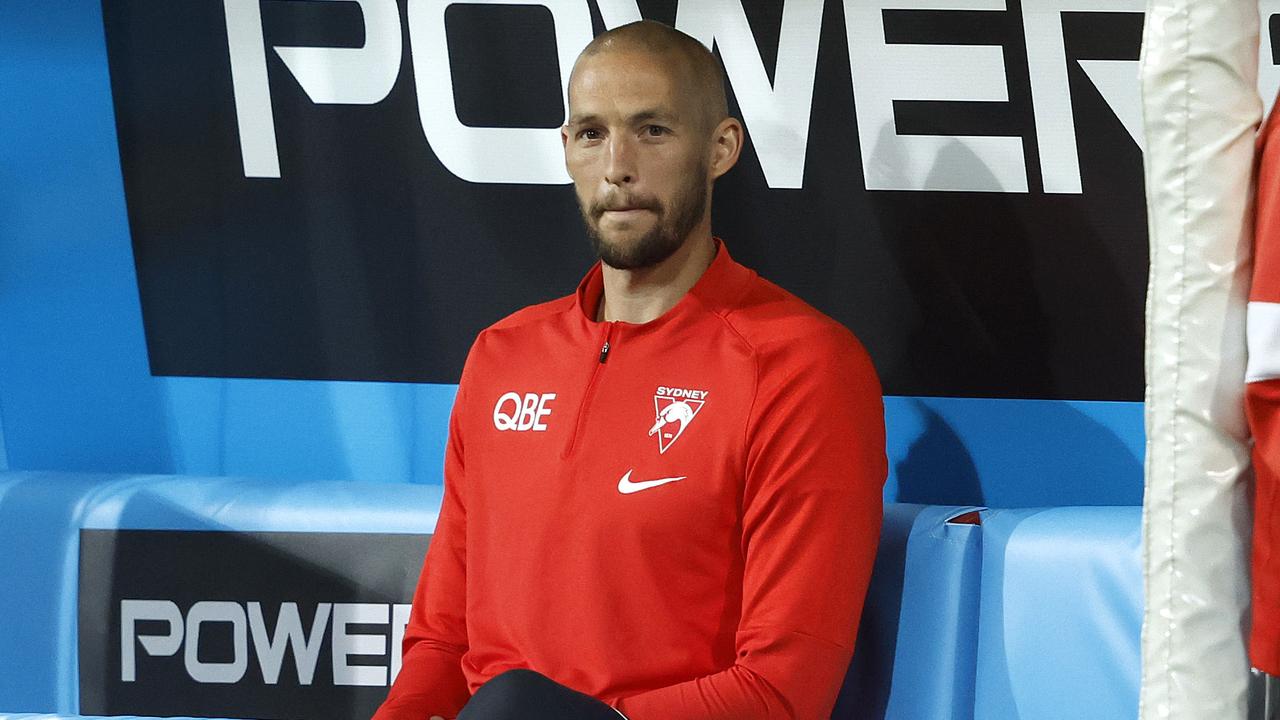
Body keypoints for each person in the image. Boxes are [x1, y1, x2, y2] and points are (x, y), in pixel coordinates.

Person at [373, 19, 886, 720]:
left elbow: (782, 689)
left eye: (652, 131)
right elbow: (441, 640)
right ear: (567, 150)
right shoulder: (502, 356)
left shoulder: (800, 366)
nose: (618, 165)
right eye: (591, 134)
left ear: (721, 149)